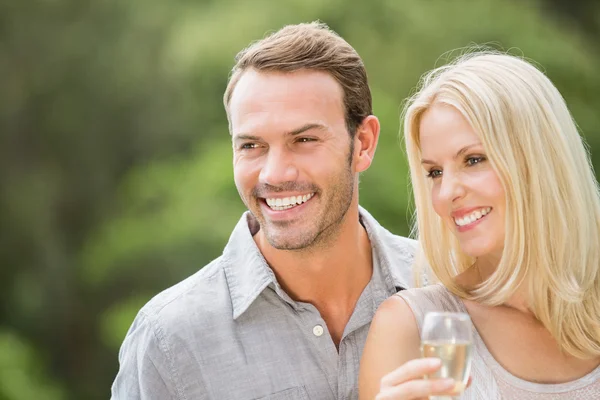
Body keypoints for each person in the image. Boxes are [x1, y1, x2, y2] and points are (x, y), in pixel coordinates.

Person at [111, 22, 418, 400]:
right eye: (252, 146)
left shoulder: (454, 290)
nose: (274, 174)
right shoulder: (170, 340)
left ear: (364, 144)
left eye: (304, 140)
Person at [359, 51, 600, 399]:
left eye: (473, 160)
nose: (446, 194)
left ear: (539, 159)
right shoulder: (415, 327)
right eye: (435, 173)